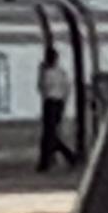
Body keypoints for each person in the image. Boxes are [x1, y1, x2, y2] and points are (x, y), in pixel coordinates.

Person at [35, 41, 75, 173]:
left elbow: (42, 87)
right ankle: (53, 159)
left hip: (52, 102)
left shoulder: (50, 72)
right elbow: (66, 88)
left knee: (49, 133)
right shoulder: (59, 72)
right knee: (50, 133)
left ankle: (63, 156)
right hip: (56, 102)